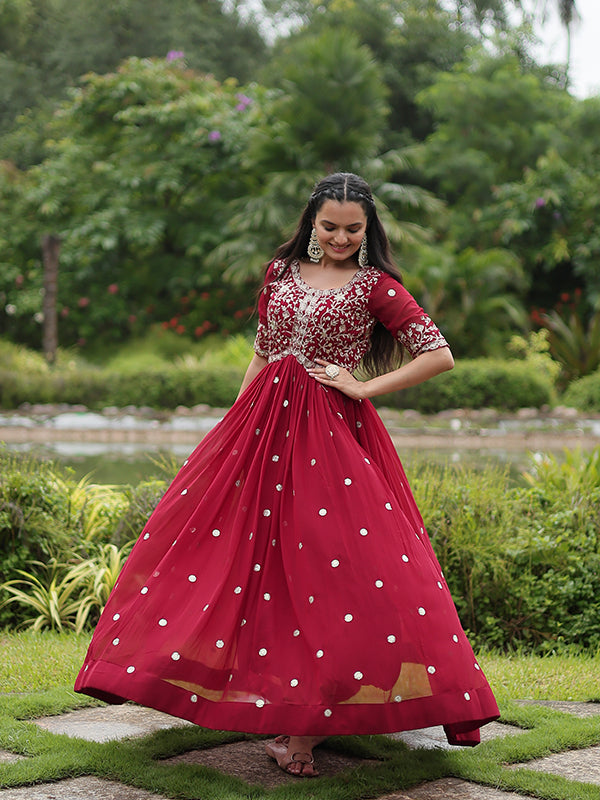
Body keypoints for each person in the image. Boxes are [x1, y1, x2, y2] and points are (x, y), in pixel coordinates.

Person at [75, 172, 499, 778]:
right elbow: (262, 350)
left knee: (326, 569)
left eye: (354, 228)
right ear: (311, 221)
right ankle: (245, 696)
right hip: (261, 425)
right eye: (330, 226)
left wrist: (363, 387)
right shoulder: (279, 275)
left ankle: (302, 728)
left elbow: (439, 354)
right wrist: (232, 429)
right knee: (238, 560)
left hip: (330, 436)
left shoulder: (376, 287)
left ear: (368, 229)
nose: (341, 237)